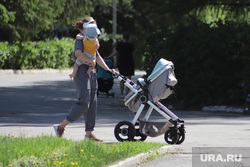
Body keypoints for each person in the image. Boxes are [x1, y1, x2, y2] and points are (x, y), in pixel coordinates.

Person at [54, 16, 115, 142]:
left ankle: (89, 134)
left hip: (91, 72)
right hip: (82, 71)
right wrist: (91, 61)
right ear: (86, 27)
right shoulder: (80, 38)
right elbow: (78, 54)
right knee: (84, 102)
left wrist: (108, 69)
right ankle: (60, 126)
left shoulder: (92, 39)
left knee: (92, 103)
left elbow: (97, 57)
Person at [108, 33, 135, 98]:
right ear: (128, 38)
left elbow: (115, 52)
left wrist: (109, 57)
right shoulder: (131, 45)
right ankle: (127, 94)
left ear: (123, 38)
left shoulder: (120, 45)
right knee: (128, 79)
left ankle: (121, 94)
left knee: (122, 78)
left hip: (122, 62)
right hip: (129, 62)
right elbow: (134, 54)